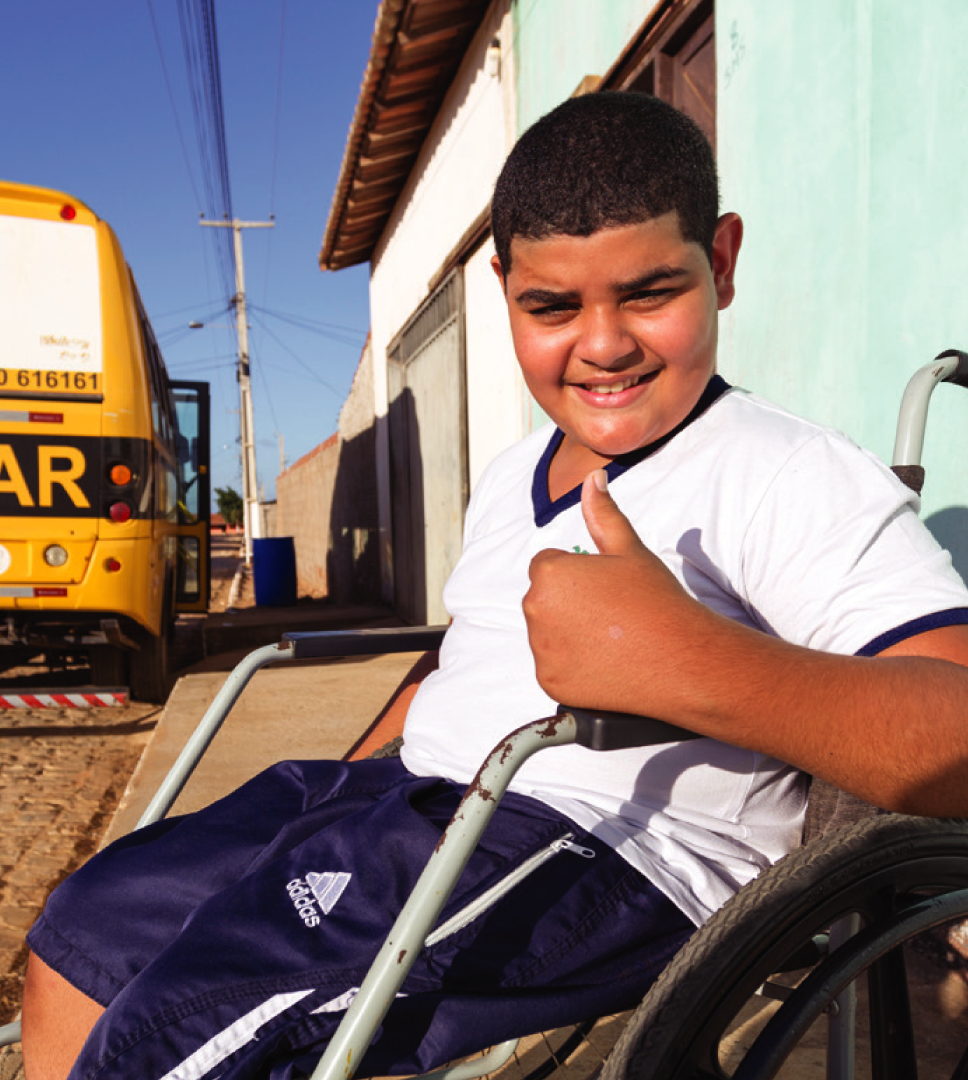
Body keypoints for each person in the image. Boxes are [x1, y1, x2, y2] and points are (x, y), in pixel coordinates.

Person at [22, 91, 968, 1080]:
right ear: (502, 285)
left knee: (185, 1026)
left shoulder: (784, 472)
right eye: (551, 307)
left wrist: (691, 666)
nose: (602, 346)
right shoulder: (515, 472)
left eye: (649, 293)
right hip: (404, 798)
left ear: (720, 262)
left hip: (600, 846)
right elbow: (453, 663)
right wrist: (328, 806)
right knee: (85, 925)